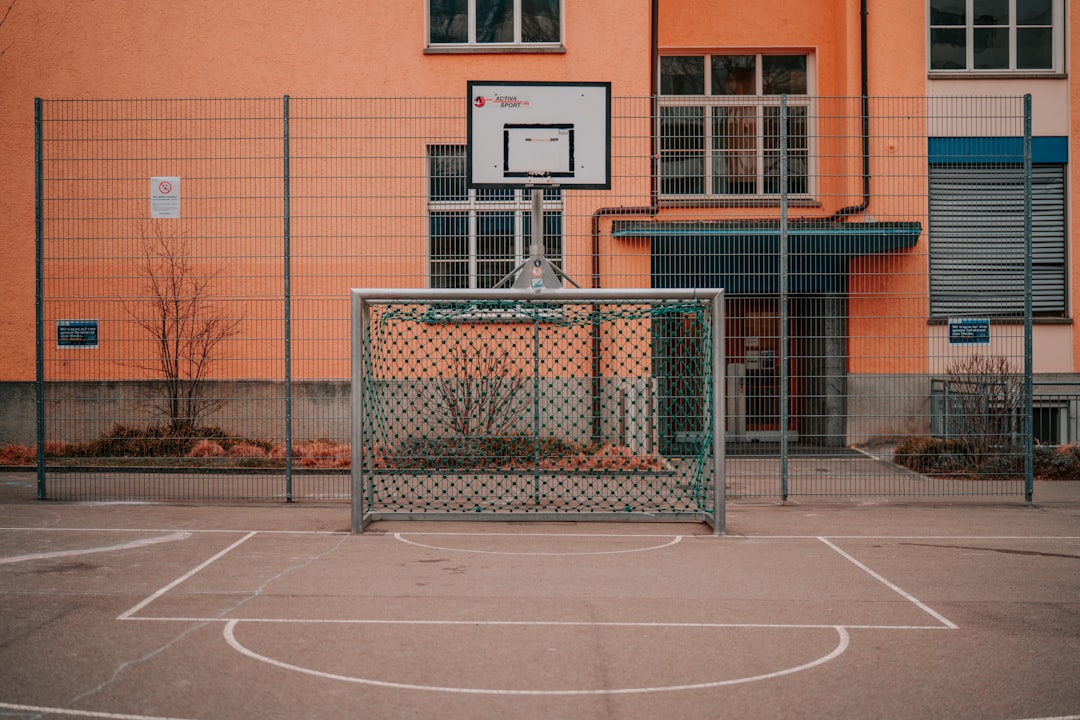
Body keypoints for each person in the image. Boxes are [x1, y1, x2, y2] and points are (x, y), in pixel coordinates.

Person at [723, 68, 756, 195]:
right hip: (734, 166)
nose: (729, 85)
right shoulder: (732, 111)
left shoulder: (749, 111)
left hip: (749, 166)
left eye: (733, 81)